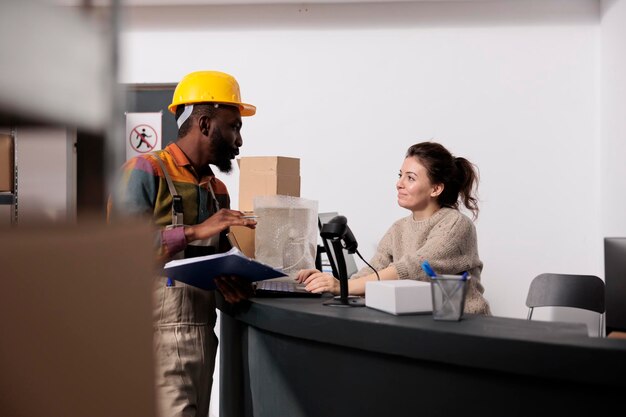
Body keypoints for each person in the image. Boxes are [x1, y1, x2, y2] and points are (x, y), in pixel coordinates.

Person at [109, 70, 258, 417]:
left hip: (203, 330)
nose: (239, 141)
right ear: (205, 124)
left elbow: (212, 259)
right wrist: (194, 231)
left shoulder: (215, 189)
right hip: (154, 335)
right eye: (234, 126)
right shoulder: (145, 169)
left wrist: (231, 280)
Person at [297, 141, 491, 315]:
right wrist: (329, 283)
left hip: (465, 324)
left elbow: (412, 268)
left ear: (436, 189)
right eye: (400, 176)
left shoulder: (456, 224)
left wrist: (342, 286)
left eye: (411, 178)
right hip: (424, 324)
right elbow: (374, 269)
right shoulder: (399, 228)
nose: (399, 184)